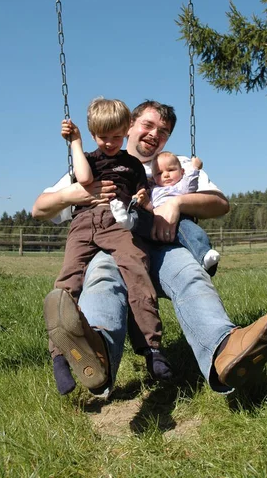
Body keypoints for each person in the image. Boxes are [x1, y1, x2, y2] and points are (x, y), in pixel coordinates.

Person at [33, 100, 267, 398]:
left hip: (163, 250)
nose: (154, 134)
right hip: (114, 244)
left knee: (189, 273)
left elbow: (220, 203)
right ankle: (97, 354)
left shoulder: (176, 164)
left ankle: (224, 350)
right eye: (147, 125)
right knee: (102, 276)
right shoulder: (94, 163)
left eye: (163, 131)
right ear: (129, 125)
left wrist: (177, 202)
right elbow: (39, 209)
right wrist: (75, 192)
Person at [45, 98, 172, 395]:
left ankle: (151, 349)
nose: (111, 143)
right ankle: (61, 357)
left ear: (126, 131)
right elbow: (85, 179)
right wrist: (75, 142)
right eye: (103, 137)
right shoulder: (86, 158)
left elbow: (146, 201)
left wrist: (142, 201)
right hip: (84, 223)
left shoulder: (133, 166)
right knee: (67, 283)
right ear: (92, 135)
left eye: (117, 136)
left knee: (136, 269)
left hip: (117, 222)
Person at [110, 151, 220, 275]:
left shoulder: (181, 186)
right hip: (154, 222)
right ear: (153, 177)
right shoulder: (154, 189)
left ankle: (204, 255)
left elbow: (191, 184)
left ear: (182, 172)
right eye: (159, 173)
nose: (166, 175)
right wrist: (144, 201)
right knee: (142, 216)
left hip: (177, 221)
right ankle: (129, 221)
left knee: (192, 231)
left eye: (171, 170)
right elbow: (151, 208)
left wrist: (194, 168)